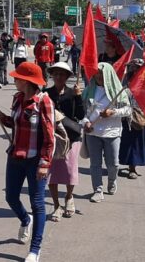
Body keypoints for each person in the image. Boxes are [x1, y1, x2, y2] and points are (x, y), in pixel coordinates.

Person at [0, 62, 54, 262]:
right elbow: (16, 123)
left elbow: (49, 137)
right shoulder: (17, 99)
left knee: (38, 204)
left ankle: (35, 249)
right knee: (11, 197)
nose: (14, 80)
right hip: (15, 157)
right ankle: (26, 220)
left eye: (17, 78)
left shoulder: (44, 101)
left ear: (26, 81)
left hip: (35, 161)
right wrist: (2, 118)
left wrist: (44, 164)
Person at [82, 62, 131, 203]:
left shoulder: (118, 91)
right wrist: (85, 123)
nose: (98, 76)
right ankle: (97, 190)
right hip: (93, 133)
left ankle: (112, 180)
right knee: (95, 164)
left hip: (112, 133)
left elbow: (128, 110)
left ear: (108, 75)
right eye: (96, 73)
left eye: (101, 73)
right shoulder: (88, 90)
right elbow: (83, 112)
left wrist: (113, 112)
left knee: (113, 164)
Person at [45, 62, 85, 221]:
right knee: (51, 173)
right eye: (56, 74)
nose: (59, 77)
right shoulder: (45, 93)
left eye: (62, 74)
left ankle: (69, 196)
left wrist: (78, 97)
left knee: (69, 171)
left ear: (68, 77)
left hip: (71, 137)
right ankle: (56, 206)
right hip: (51, 138)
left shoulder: (73, 92)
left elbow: (81, 116)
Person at [118, 60, 145, 179]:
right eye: (134, 67)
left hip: (143, 117)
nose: (135, 70)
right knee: (127, 143)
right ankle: (131, 167)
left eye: (138, 68)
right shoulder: (126, 81)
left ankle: (133, 166)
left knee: (138, 143)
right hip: (127, 117)